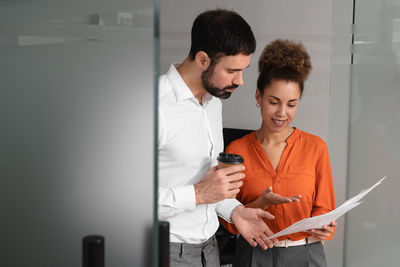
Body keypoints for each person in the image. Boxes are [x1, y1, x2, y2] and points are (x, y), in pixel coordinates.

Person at [158, 9, 279, 267]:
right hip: (164, 250)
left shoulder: (213, 103)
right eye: (232, 71)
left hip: (209, 250)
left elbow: (212, 186)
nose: (241, 81)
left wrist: (235, 211)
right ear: (203, 59)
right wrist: (197, 194)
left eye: (244, 70)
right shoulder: (154, 106)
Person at [220, 39, 337, 267]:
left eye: (292, 104)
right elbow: (227, 219)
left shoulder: (316, 147)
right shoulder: (237, 150)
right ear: (258, 97)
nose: (282, 113)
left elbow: (325, 209)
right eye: (274, 102)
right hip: (254, 254)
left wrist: (325, 227)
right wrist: (259, 204)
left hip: (306, 255)